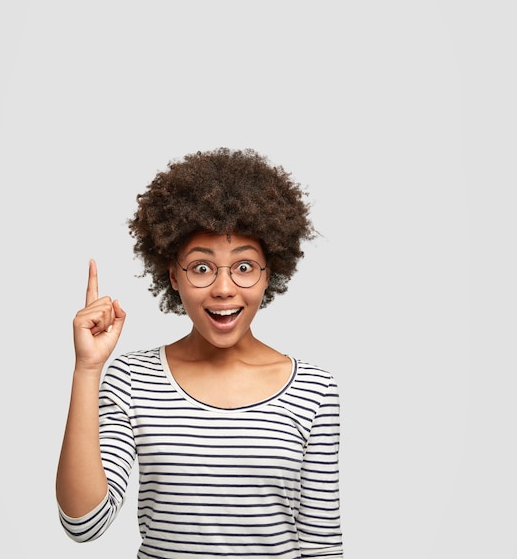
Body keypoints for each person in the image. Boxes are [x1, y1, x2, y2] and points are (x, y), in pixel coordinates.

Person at [56, 147, 343, 558]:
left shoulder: (314, 390)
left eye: (244, 267)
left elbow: (322, 546)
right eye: (202, 267)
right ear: (173, 275)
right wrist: (87, 368)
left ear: (269, 274)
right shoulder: (133, 380)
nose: (223, 288)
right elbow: (84, 523)